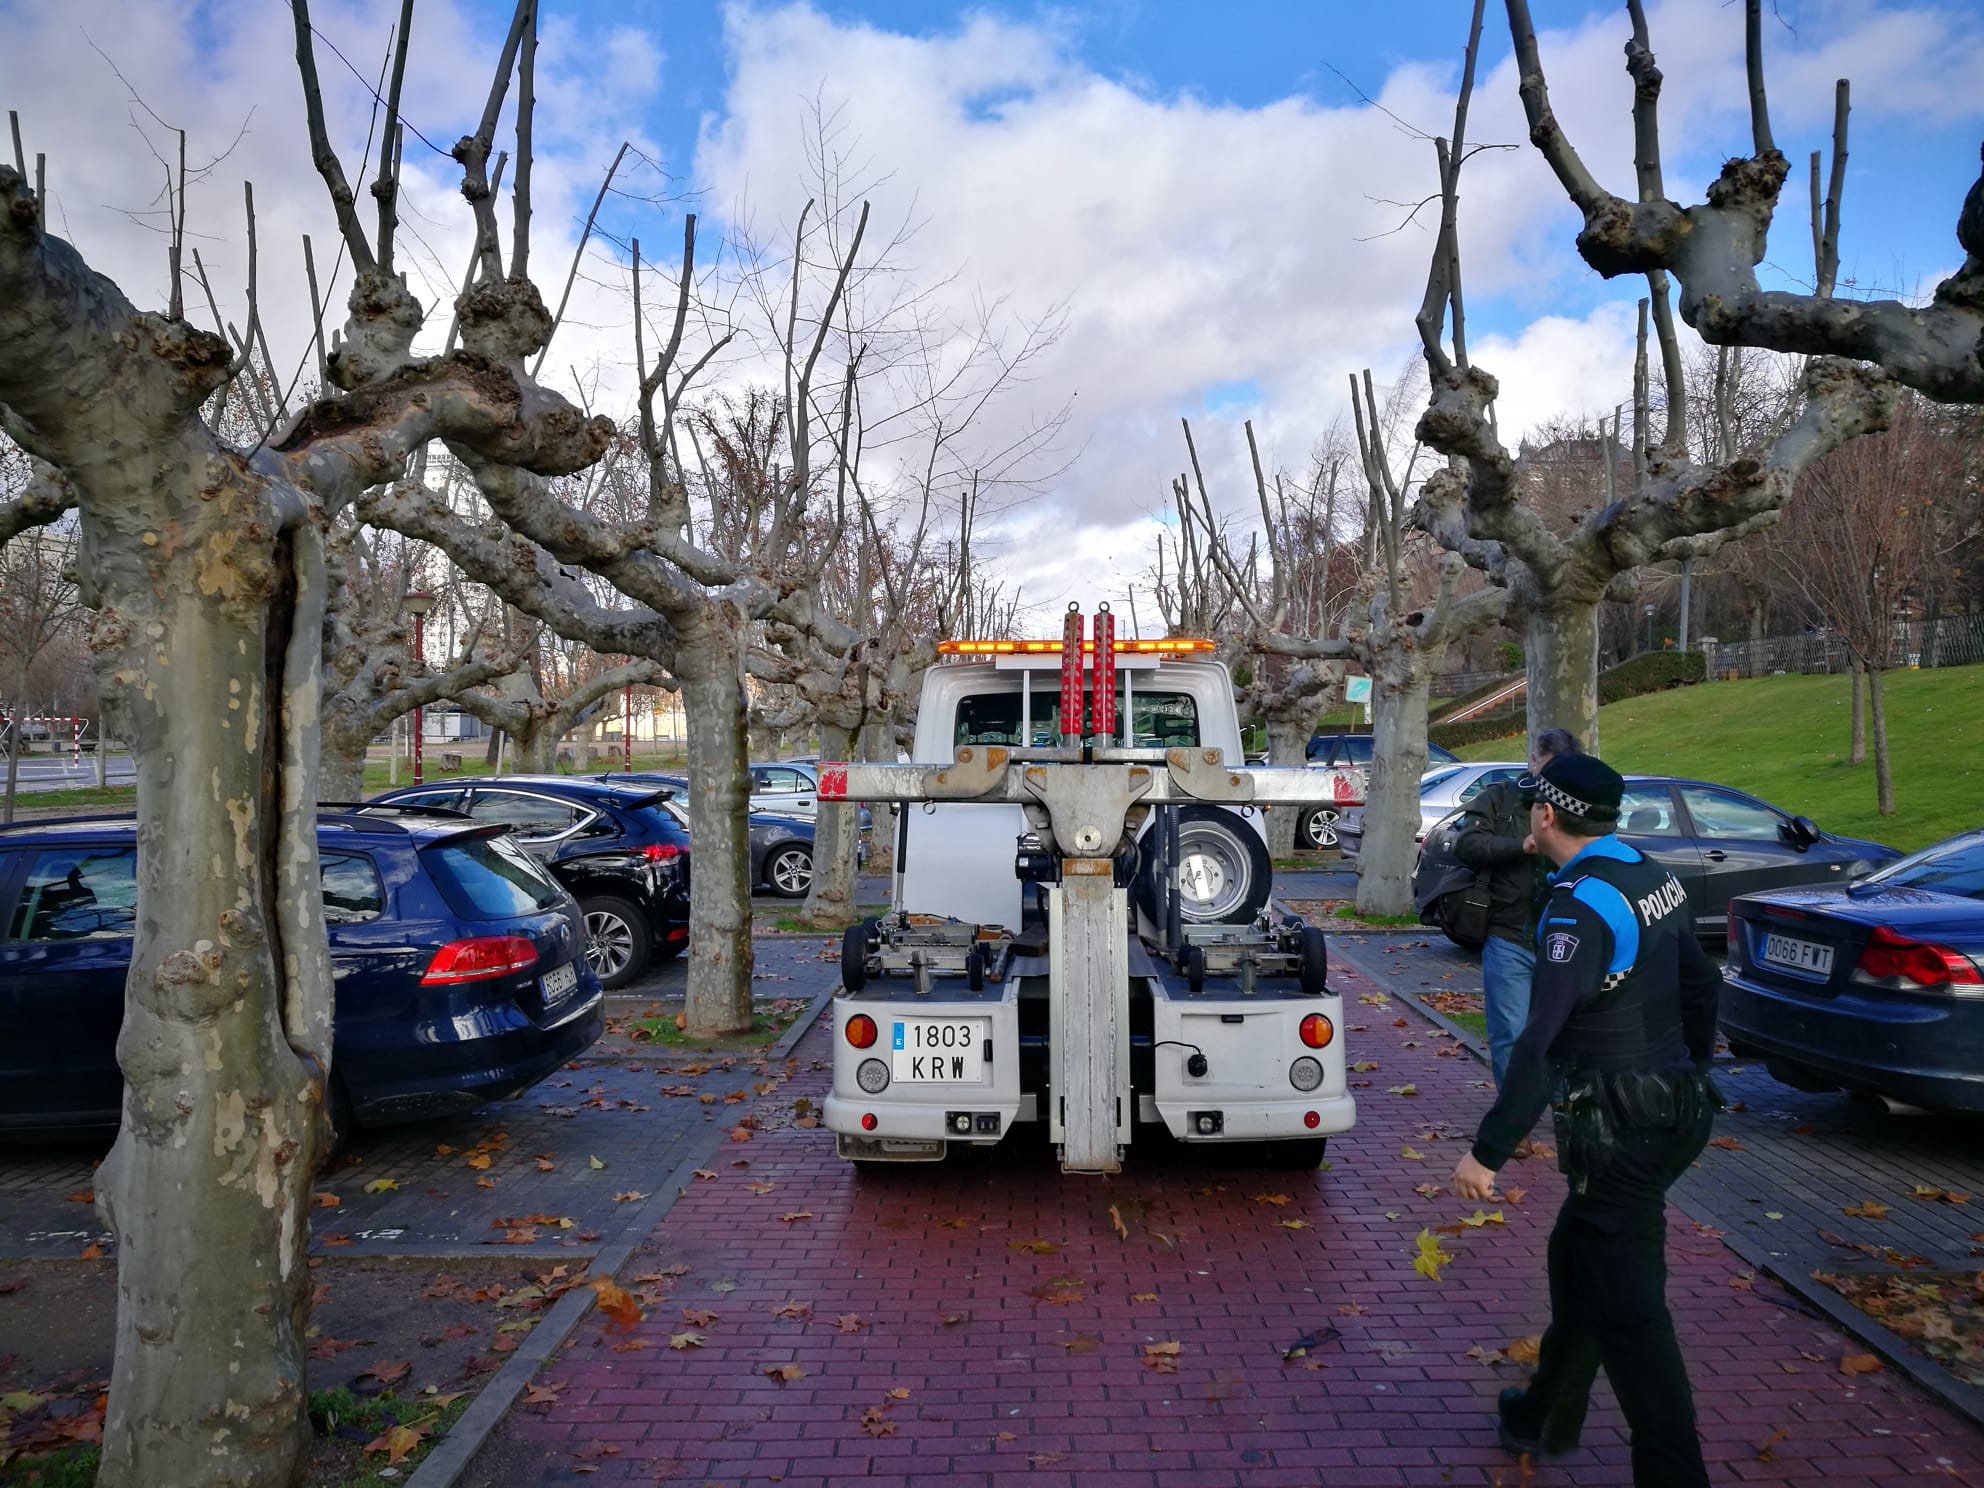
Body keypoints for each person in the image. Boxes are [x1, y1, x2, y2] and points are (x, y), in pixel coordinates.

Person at [1450, 753, 1721, 1487]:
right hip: (1671, 1112)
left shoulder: (1577, 904)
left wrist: (1488, 1151)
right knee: (1579, 1259)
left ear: (1544, 816)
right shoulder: (1646, 872)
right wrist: (1693, 1069)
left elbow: (1539, 1044)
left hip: (1621, 1128)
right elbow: (1702, 983)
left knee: (1632, 1314)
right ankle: (1542, 1415)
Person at [1453, 727, 1579, 1085]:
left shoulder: (1580, 804)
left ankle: (1562, 1105)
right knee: (1510, 1030)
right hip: (1510, 933)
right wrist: (1518, 846)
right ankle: (1515, 1113)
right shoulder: (1502, 797)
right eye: (1549, 767)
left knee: (1567, 1030)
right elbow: (1468, 844)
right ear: (1533, 761)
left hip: (1569, 935)